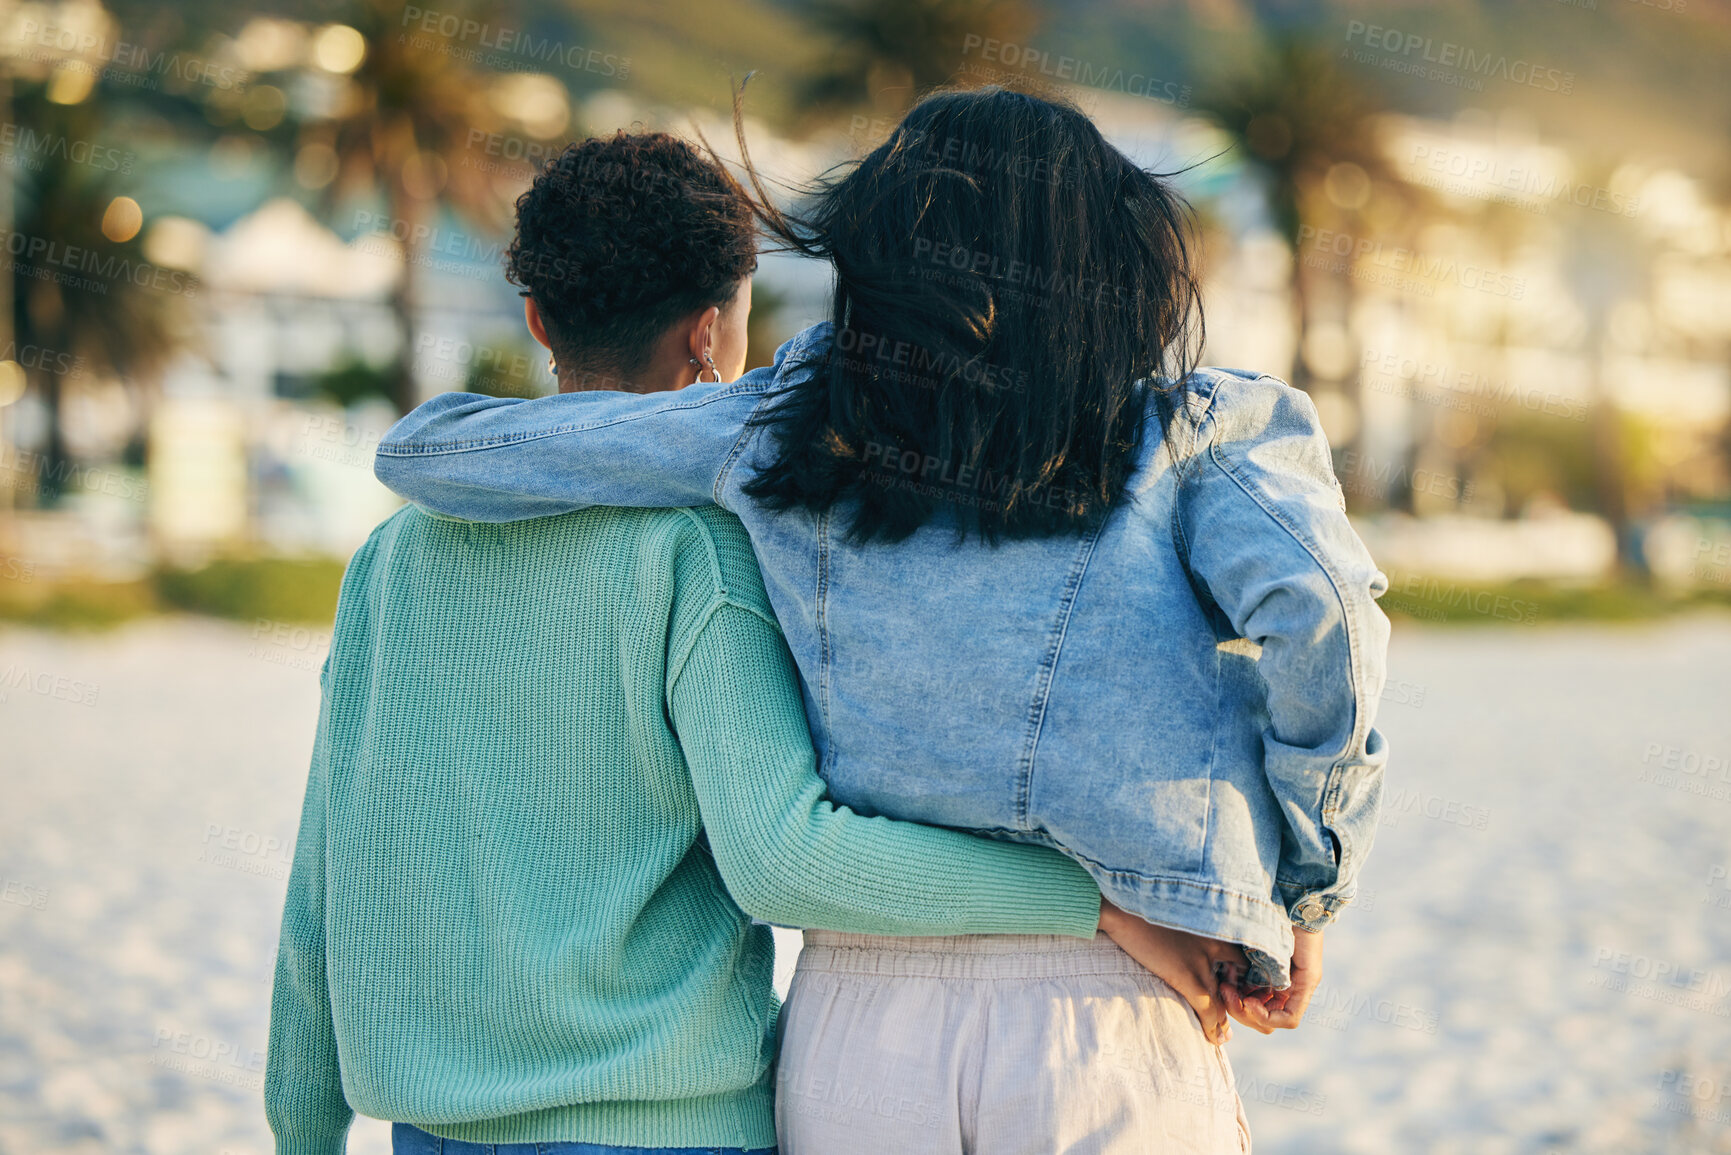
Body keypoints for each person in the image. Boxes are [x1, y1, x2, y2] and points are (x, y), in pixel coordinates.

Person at [377, 91, 1393, 1154]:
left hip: (857, 1017)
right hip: (1112, 1000)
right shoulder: (1198, 430)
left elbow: (435, 456)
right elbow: (1321, 616)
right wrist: (1312, 884)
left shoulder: (780, 427)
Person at [264, 130, 1187, 1155]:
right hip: (663, 1130)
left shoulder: (390, 558)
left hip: (430, 1133)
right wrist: (1099, 903)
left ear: (537, 318)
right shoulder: (698, 550)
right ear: (711, 335)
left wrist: (302, 1133)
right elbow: (782, 860)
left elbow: (321, 894)